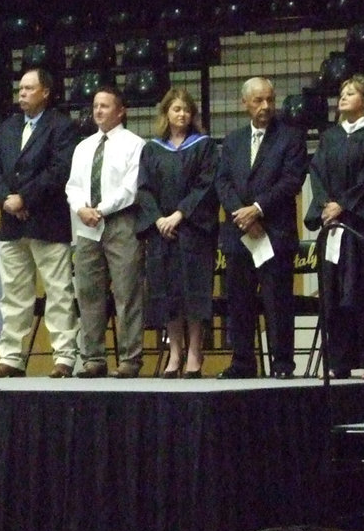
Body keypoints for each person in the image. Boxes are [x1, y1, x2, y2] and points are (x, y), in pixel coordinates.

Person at [0, 67, 80, 378]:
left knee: (58, 291)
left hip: (47, 222)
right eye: (20, 88)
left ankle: (64, 357)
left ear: (46, 92)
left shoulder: (61, 127)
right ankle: (11, 357)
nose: (22, 93)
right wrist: (7, 202)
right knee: (13, 293)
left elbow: (58, 170)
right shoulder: (10, 126)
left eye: (28, 88)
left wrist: (24, 198)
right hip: (13, 225)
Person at [215, 76, 308, 379]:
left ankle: (282, 364)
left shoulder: (290, 138)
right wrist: (240, 216)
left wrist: (256, 210)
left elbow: (292, 181)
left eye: (270, 99)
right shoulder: (232, 140)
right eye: (258, 100)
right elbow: (223, 182)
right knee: (239, 301)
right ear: (245, 103)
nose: (266, 106)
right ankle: (243, 361)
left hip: (274, 232)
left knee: (277, 301)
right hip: (240, 234)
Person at [304, 75, 364, 380]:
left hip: (363, 229)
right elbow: (317, 174)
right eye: (341, 92)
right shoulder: (331, 137)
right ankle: (338, 361)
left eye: (351, 92)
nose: (343, 97)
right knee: (334, 294)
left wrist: (343, 205)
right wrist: (326, 206)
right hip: (334, 228)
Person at [135, 88, 219, 378]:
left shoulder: (205, 147)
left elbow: (206, 185)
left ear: (193, 114)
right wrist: (159, 219)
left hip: (193, 231)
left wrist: (179, 215)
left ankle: (195, 352)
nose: (181, 114)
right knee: (167, 292)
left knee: (193, 292)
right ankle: (175, 352)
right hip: (162, 233)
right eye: (176, 109)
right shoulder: (152, 149)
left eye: (186, 109)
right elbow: (143, 189)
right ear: (166, 114)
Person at [65, 85, 146, 378]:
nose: (98, 111)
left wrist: (101, 208)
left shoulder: (135, 144)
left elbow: (131, 187)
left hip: (121, 222)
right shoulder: (83, 146)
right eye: (95, 106)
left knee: (127, 292)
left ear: (121, 110)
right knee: (88, 292)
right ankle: (93, 358)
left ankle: (130, 359)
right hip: (86, 225)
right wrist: (82, 208)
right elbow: (72, 186)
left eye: (105, 106)